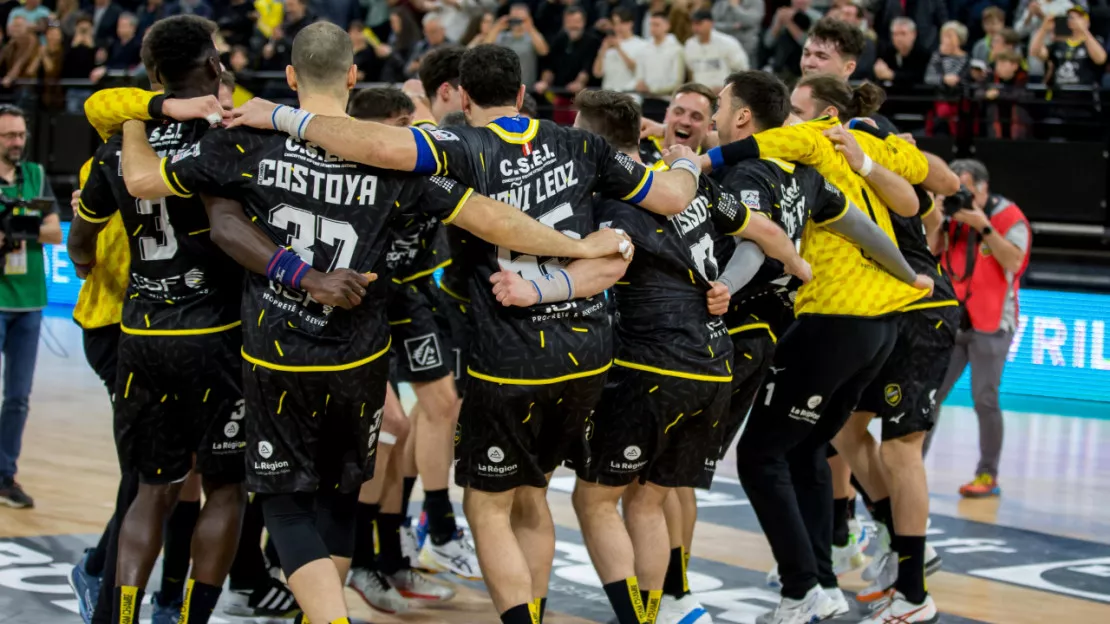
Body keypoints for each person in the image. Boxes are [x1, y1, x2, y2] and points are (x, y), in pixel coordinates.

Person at [124, 29, 646, 624]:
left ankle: (329, 615)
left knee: (285, 506)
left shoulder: (246, 140)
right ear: (352, 77)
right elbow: (491, 218)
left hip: (277, 355)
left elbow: (144, 182)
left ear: (290, 78)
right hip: (361, 359)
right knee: (343, 496)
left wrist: (132, 118)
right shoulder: (393, 153)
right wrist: (574, 247)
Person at [561, 87, 806, 624]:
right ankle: (661, 610)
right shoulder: (689, 184)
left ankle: (637, 619)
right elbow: (762, 233)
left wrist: (542, 286)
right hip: (714, 362)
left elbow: (603, 269)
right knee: (647, 501)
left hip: (653, 364)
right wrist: (797, 266)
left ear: (590, 139)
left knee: (595, 501)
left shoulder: (609, 198)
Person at [700, 80, 936, 624]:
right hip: (878, 328)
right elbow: (867, 228)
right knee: (808, 450)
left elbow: (757, 241)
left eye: (720, 107)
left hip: (832, 320)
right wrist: (910, 273)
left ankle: (801, 585)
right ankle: (822, 582)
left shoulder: (775, 161)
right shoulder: (816, 174)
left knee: (760, 456)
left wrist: (727, 289)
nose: (796, 125)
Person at [66, 16, 248, 624]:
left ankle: (119, 616)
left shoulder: (121, 144)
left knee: (151, 488)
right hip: (215, 336)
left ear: (152, 76)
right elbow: (239, 230)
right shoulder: (227, 135)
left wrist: (93, 256)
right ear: (215, 68)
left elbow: (80, 240)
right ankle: (189, 618)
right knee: (224, 487)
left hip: (141, 332)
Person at [925, 159, 1031, 499]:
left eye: (966, 188)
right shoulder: (950, 213)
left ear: (984, 188)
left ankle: (987, 475)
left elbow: (1014, 262)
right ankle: (910, 463)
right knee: (931, 395)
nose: (961, 195)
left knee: (985, 399)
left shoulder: (1010, 217)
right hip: (954, 320)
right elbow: (930, 252)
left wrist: (983, 226)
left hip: (992, 322)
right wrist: (936, 216)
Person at [0, 104, 62, 509]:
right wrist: (27, 227)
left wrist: (13, 229)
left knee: (19, 397)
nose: (18, 142)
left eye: (21, 134)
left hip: (29, 301)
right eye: (9, 135)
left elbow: (55, 230)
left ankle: (5, 475)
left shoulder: (35, 175)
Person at [1031, 4, 1107, 88]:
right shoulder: (1059, 43)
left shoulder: (1095, 41)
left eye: (1078, 17)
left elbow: (1100, 59)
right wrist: (1043, 28)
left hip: (1085, 95)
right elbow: (1035, 52)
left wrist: (1084, 30)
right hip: (1060, 95)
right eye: (1070, 17)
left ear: (1087, 21)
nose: (1073, 19)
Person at [486, 4, 549, 89]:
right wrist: (497, 27)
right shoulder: (502, 36)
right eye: (514, 17)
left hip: (526, 87)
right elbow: (485, 48)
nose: (517, 21)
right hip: (503, 86)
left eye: (520, 18)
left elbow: (544, 51)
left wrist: (530, 27)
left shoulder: (532, 37)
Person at [684, 10, 747, 91]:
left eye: (699, 23)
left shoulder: (728, 43)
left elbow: (742, 69)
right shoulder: (689, 44)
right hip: (701, 93)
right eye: (693, 24)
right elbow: (691, 70)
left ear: (711, 23)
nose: (695, 27)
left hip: (724, 92)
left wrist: (729, 88)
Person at [591, 7, 647, 92]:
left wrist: (619, 49)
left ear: (630, 23)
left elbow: (636, 70)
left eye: (622, 23)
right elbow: (597, 73)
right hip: (607, 95)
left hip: (629, 95)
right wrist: (602, 50)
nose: (618, 27)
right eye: (615, 24)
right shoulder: (607, 44)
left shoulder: (641, 44)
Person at [633, 12, 684, 100]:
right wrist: (640, 84)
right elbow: (639, 75)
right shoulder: (644, 49)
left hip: (667, 99)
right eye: (651, 25)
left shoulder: (676, 49)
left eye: (657, 25)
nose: (653, 28)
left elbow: (677, 82)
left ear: (667, 26)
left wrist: (652, 90)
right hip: (646, 99)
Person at [873, 17, 931, 93]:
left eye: (903, 33)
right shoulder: (887, 52)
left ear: (913, 34)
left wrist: (893, 75)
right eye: (895, 34)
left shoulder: (923, 54)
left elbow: (918, 76)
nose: (898, 38)